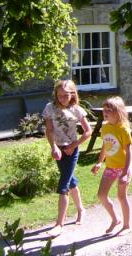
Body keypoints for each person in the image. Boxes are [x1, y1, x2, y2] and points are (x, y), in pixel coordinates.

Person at [42, 79, 92, 238]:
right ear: (56, 94)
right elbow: (49, 130)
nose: (63, 98)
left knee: (63, 184)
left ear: (72, 95)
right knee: (71, 182)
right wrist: (54, 147)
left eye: (66, 95)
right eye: (60, 95)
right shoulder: (49, 108)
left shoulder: (77, 109)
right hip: (59, 149)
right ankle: (81, 209)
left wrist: (73, 145)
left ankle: (59, 224)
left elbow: (88, 131)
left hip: (71, 151)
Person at [91, 96, 132, 236]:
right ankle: (115, 220)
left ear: (119, 112)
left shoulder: (123, 129)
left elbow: (129, 152)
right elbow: (105, 145)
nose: (105, 112)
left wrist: (125, 172)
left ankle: (126, 226)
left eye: (109, 110)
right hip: (110, 167)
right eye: (104, 110)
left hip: (124, 167)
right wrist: (99, 162)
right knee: (102, 195)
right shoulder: (105, 127)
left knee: (122, 196)